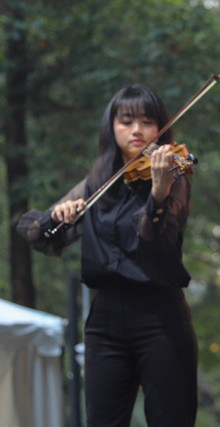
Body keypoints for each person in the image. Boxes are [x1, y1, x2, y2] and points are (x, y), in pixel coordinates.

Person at [17, 84, 198, 426]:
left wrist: (158, 193)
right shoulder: (96, 184)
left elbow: (154, 239)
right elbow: (35, 234)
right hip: (105, 322)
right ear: (111, 126)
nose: (136, 130)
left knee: (171, 418)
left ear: (160, 128)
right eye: (126, 121)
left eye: (147, 121)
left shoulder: (173, 174)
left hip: (160, 317)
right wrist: (57, 215)